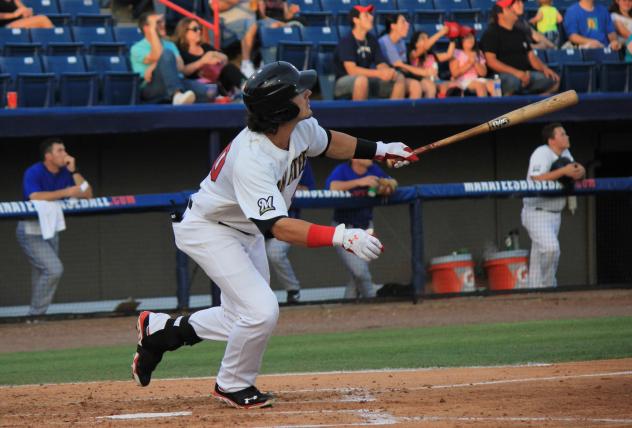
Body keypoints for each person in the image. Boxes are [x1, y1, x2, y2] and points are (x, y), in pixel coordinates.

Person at [130, 61, 418, 408]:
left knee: (242, 316)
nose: (308, 92)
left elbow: (329, 142)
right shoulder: (253, 157)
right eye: (300, 91)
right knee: (261, 311)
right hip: (210, 230)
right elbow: (279, 227)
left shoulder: (298, 127)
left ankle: (161, 332)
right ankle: (232, 384)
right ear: (281, 109)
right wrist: (341, 236)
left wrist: (380, 149)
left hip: (245, 230)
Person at [16, 138, 93, 316]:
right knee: (53, 269)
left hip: (51, 229)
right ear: (48, 156)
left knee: (42, 273)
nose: (65, 154)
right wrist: (67, 192)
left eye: (64, 150)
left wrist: (75, 171)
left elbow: (87, 193)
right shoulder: (34, 171)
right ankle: (36, 315)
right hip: (31, 228)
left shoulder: (67, 172)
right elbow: (34, 196)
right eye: (60, 151)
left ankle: (35, 319)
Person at [521, 123, 585, 289]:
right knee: (551, 249)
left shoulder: (565, 152)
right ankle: (549, 287)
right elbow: (536, 178)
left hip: (555, 213)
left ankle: (534, 294)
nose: (566, 136)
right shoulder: (542, 152)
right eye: (562, 134)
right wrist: (563, 172)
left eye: (566, 133)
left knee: (539, 259)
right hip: (536, 211)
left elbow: (575, 169)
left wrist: (581, 170)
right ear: (551, 140)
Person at [325, 159, 397, 299]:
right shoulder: (343, 169)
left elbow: (391, 183)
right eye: (366, 155)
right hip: (344, 229)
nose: (371, 157)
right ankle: (372, 297)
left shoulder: (374, 170)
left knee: (356, 275)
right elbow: (331, 186)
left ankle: (348, 306)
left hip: (366, 227)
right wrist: (360, 182)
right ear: (355, 158)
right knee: (359, 272)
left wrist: (387, 187)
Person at [131, 13, 214, 105]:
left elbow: (181, 67)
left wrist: (154, 65)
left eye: (162, 21)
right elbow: (158, 55)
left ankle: (177, 97)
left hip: (177, 80)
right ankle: (176, 95)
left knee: (207, 92)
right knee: (167, 53)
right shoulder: (136, 48)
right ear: (147, 28)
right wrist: (153, 31)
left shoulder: (169, 44)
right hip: (152, 86)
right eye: (157, 22)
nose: (163, 25)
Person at [481, 0, 560, 96]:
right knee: (512, 82)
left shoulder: (520, 32)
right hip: (502, 76)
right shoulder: (491, 33)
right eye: (513, 5)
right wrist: (517, 73)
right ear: (501, 12)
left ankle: (535, 107)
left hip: (525, 74)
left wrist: (544, 68)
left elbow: (531, 56)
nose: (520, 6)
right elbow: (491, 62)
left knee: (554, 80)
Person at [265, 160, 315, 305]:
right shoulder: (257, 155)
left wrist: (286, 188)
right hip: (255, 221)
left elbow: (309, 191)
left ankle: (293, 290)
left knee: (275, 253)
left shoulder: (300, 159)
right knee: (251, 258)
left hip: (286, 220)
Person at [333, 4, 406, 101]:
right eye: (366, 15)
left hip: (367, 78)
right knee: (361, 80)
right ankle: (359, 116)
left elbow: (381, 63)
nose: (371, 17)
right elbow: (352, 70)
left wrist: (387, 71)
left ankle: (391, 114)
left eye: (370, 14)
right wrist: (378, 73)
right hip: (344, 81)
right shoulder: (347, 40)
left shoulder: (372, 40)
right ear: (356, 20)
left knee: (399, 77)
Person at [173, 17, 245, 97]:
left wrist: (214, 55)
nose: (199, 31)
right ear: (184, 31)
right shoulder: (180, 51)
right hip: (198, 86)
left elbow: (225, 58)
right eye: (195, 29)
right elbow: (183, 70)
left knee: (229, 68)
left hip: (218, 80)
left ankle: (248, 88)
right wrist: (203, 61)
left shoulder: (205, 47)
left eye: (200, 28)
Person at [378, 13, 423, 99]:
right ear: (393, 26)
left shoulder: (401, 42)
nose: (408, 24)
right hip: (384, 78)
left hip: (398, 75)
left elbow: (403, 67)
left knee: (428, 85)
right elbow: (399, 65)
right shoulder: (385, 41)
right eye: (403, 22)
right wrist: (422, 72)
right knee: (415, 86)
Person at [408, 28, 458, 98]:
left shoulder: (432, 56)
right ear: (416, 44)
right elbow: (425, 46)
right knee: (441, 87)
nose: (427, 40)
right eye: (423, 38)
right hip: (422, 81)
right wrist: (441, 33)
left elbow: (449, 55)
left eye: (428, 38)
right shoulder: (413, 54)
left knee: (455, 84)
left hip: (436, 81)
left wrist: (452, 39)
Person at [214, 0, 258, 77]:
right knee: (251, 25)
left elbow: (254, 8)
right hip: (229, 24)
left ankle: (267, 64)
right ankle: (246, 63)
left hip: (252, 20)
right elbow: (215, 7)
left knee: (270, 26)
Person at [449, 26, 495, 97]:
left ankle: (496, 106)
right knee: (480, 85)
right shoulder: (456, 53)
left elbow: (483, 73)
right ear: (461, 40)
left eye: (472, 37)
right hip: (462, 81)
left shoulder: (478, 53)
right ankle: (484, 107)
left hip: (476, 79)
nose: (470, 40)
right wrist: (469, 63)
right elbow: (455, 73)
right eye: (467, 37)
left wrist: (476, 63)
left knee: (493, 84)